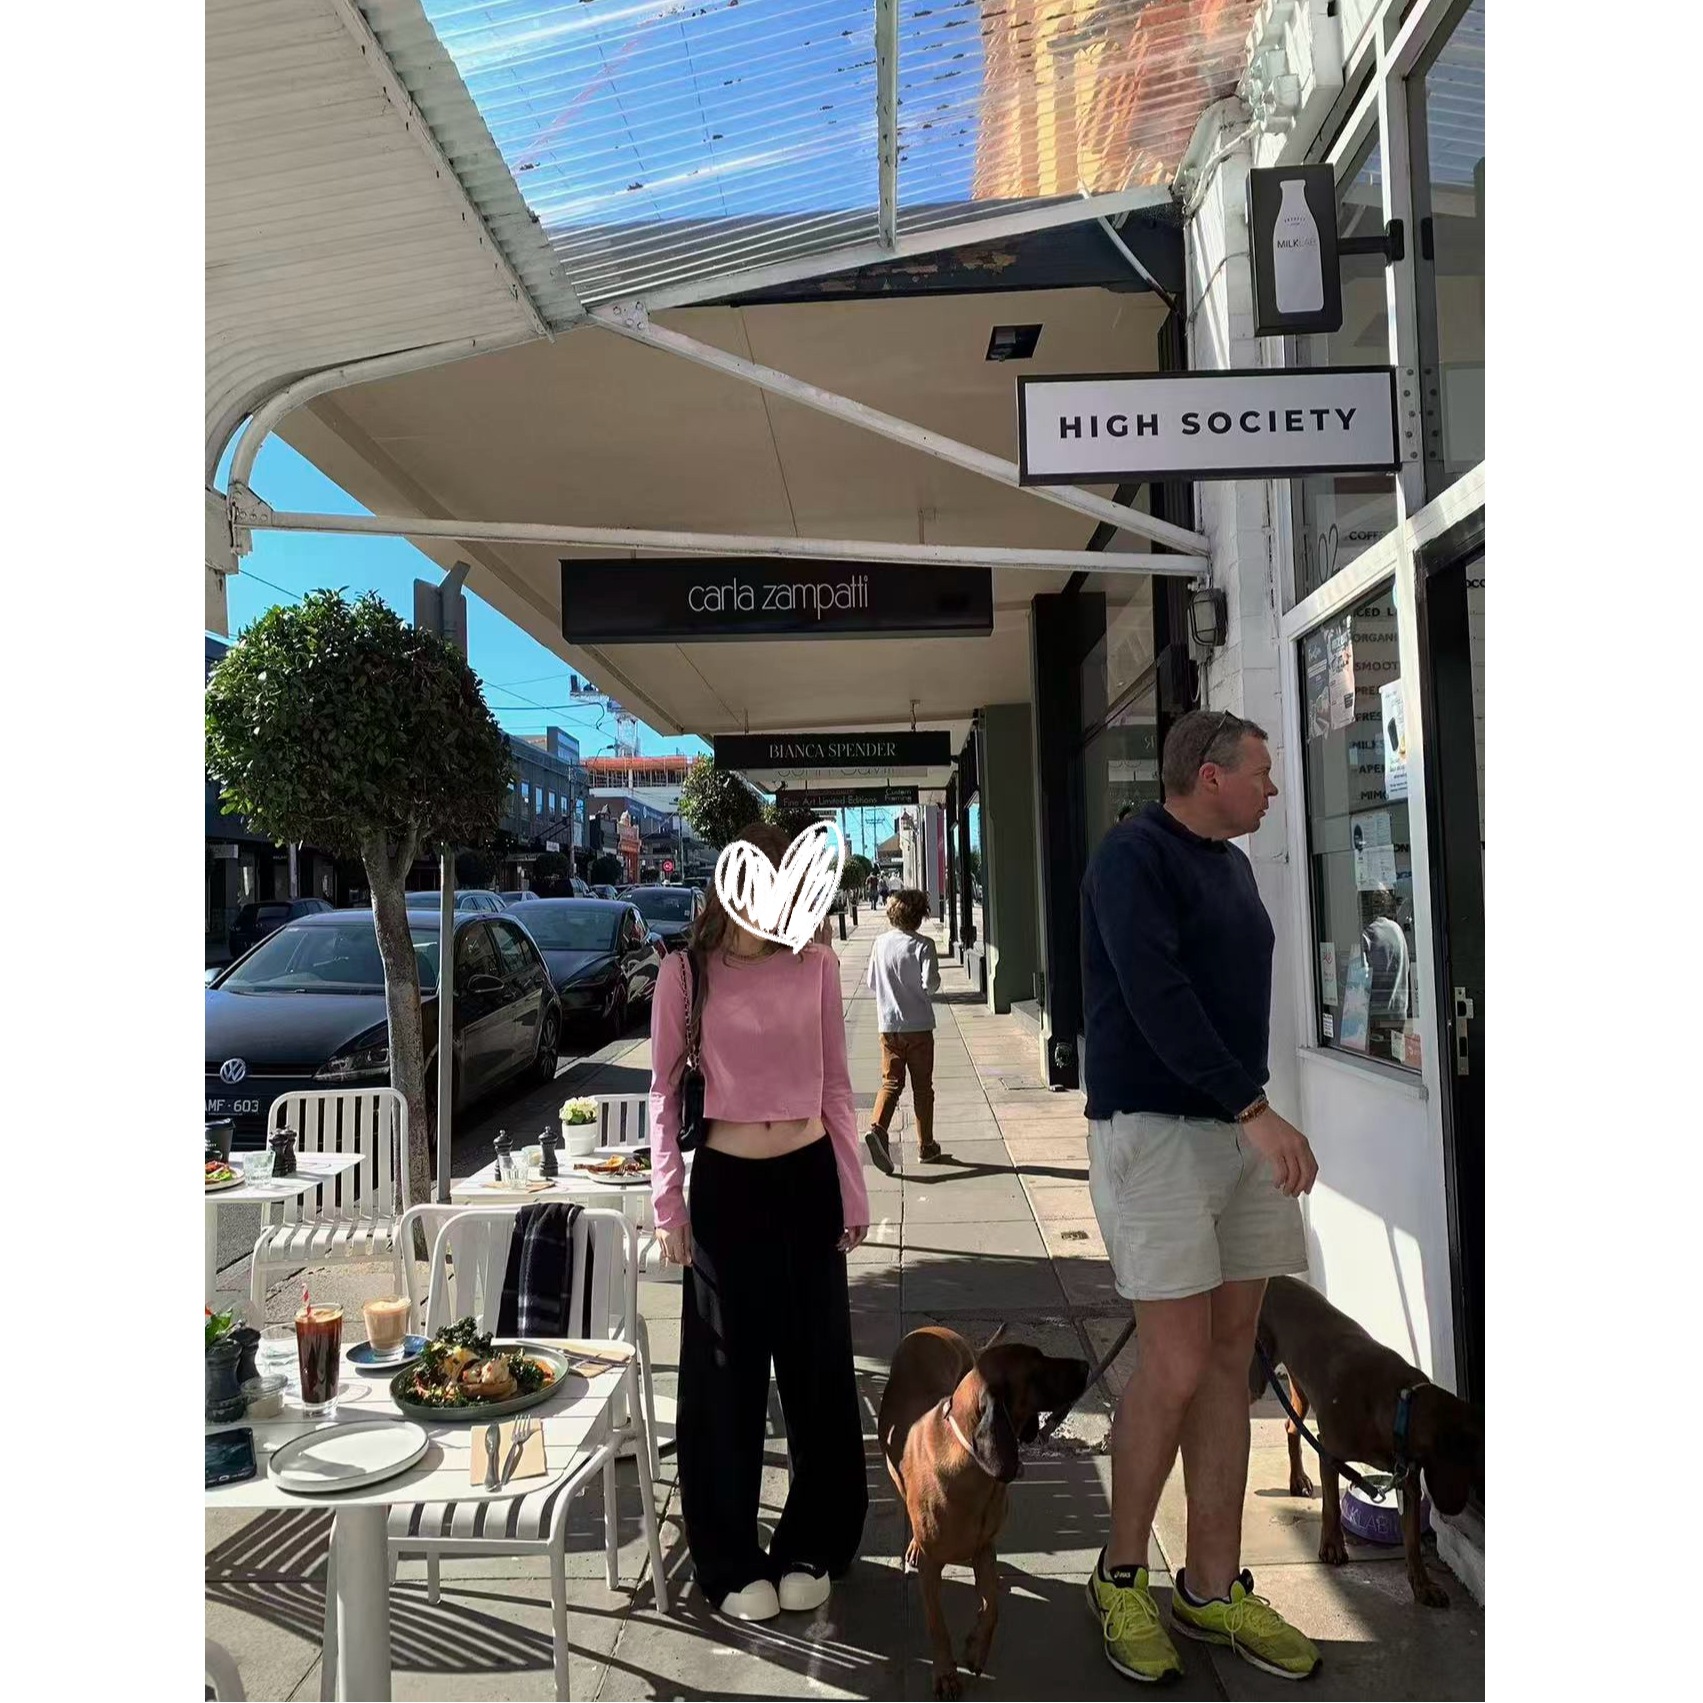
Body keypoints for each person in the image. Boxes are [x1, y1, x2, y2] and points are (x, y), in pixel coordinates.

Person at [1079, 708, 1322, 1684]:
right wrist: (1254, 1109)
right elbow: (1155, 996)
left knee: (1229, 1361)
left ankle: (1211, 1587)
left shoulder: (1231, 865)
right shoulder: (1131, 857)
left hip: (1232, 1131)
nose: (1272, 787)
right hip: (1156, 1134)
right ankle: (1120, 1575)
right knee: (1175, 1364)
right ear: (1210, 775)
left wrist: (1246, 1114)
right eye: (1260, 771)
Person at [649, 819, 870, 1624]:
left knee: (818, 1369)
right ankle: (727, 1554)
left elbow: (837, 1084)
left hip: (808, 1181)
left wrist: (853, 1189)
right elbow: (662, 1091)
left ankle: (814, 1540)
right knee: (724, 1376)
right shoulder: (685, 973)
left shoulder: (817, 964)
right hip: (727, 1189)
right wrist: (667, 1202)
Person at [862, 888, 942, 1173]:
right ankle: (926, 1145)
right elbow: (931, 983)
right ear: (920, 916)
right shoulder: (924, 945)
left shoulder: (880, 943)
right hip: (918, 1026)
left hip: (889, 1026)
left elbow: (872, 982)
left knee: (891, 1083)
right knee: (922, 1088)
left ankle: (878, 1129)